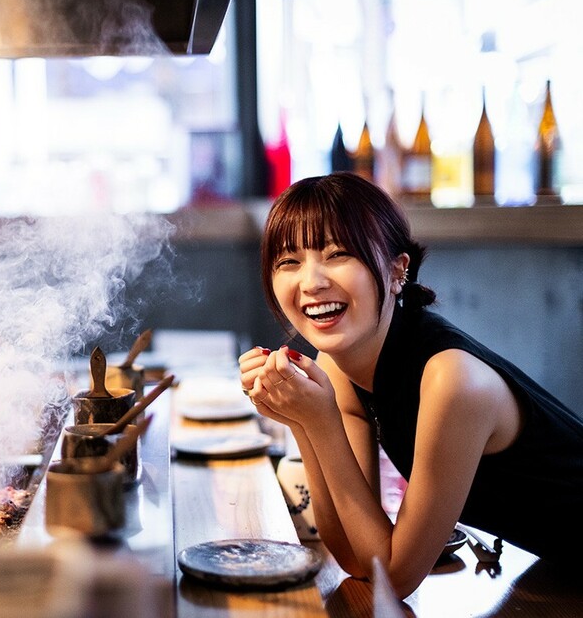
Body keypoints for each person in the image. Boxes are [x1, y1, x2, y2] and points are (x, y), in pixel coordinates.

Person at [239, 172, 583, 598]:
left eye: (338, 254)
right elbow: (355, 556)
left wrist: (319, 420)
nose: (312, 282)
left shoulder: (452, 381)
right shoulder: (338, 364)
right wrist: (301, 421)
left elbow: (394, 579)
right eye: (288, 262)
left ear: (398, 269)